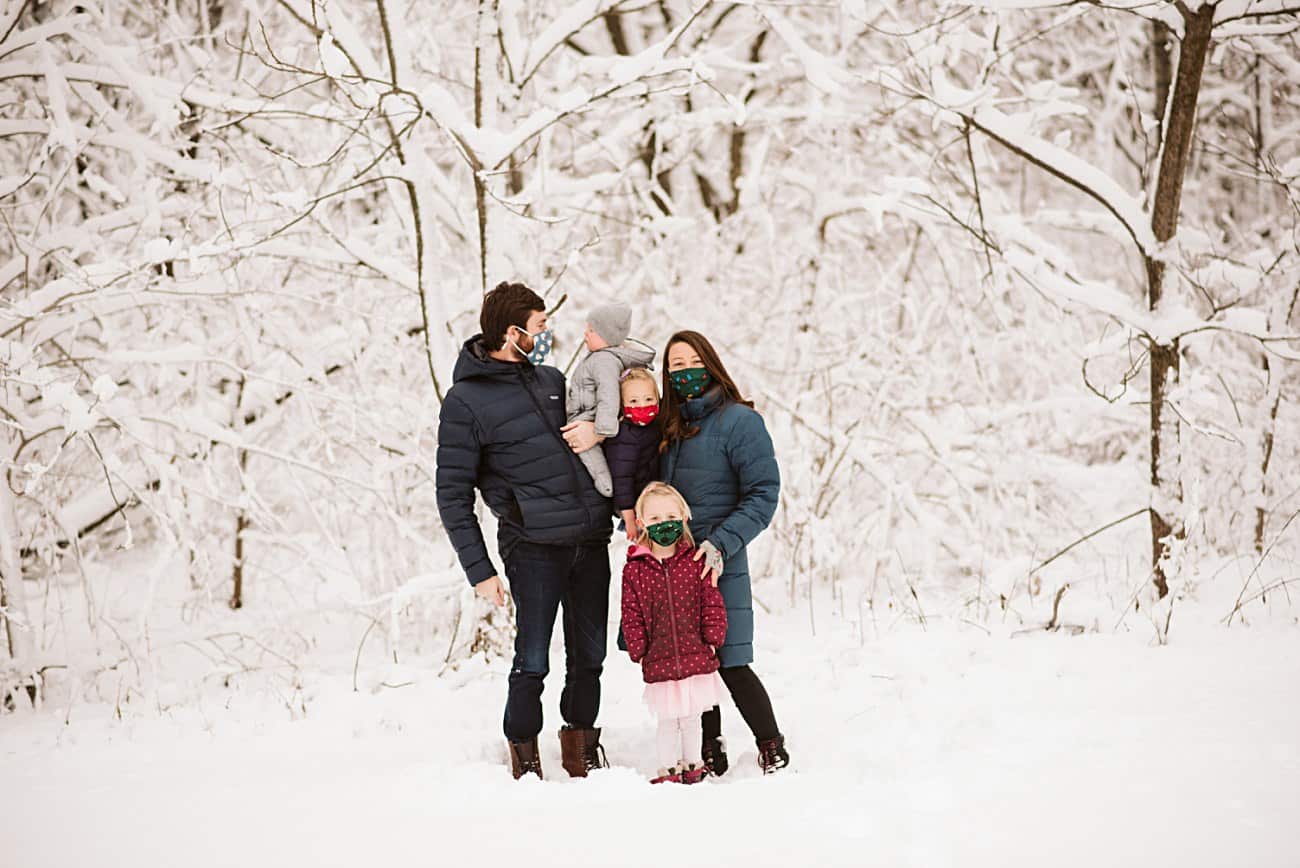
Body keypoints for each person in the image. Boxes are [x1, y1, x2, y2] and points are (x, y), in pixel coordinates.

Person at [435, 281, 613, 780]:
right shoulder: (465, 401)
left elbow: (593, 435)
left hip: (589, 538)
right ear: (512, 333)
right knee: (532, 659)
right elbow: (452, 494)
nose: (546, 334)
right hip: (532, 547)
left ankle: (581, 749)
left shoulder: (552, 379)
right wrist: (480, 570)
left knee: (590, 656)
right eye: (539, 326)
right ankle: (525, 757)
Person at [659, 330, 790, 775]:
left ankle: (770, 744)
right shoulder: (669, 428)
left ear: (711, 364)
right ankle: (710, 748)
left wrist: (721, 543)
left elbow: (763, 494)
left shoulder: (740, 422)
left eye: (693, 362)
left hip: (720, 559)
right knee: (692, 664)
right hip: (675, 562)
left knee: (731, 659)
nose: (686, 372)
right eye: (676, 366)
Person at [620, 482, 728, 784]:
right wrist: (638, 649)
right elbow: (631, 613)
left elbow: (712, 601)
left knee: (692, 718)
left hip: (696, 654)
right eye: (655, 518)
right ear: (642, 523)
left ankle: (693, 766)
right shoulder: (635, 569)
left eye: (670, 517)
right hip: (659, 657)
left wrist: (713, 639)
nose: (663, 524)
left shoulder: (695, 561)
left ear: (683, 518)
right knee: (668, 720)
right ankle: (667, 770)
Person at [565, 301, 655, 498]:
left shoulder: (605, 361)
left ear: (606, 336)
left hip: (591, 417)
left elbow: (609, 394)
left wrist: (602, 429)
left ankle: (606, 485)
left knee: (589, 453)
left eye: (591, 330)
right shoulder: (599, 358)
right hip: (586, 414)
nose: (585, 334)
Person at [602, 367, 662, 542]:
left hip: (658, 499)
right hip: (636, 507)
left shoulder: (658, 425)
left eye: (648, 399)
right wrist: (629, 517)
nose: (642, 405)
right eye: (633, 401)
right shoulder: (623, 435)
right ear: (622, 404)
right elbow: (622, 478)